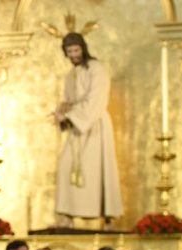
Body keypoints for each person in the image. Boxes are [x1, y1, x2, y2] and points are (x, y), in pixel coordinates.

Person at [53, 32, 122, 229]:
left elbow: (96, 100)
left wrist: (71, 117)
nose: (74, 55)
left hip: (94, 125)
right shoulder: (70, 75)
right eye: (69, 52)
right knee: (66, 165)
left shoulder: (96, 69)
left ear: (83, 48)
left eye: (76, 50)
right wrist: (61, 113)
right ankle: (67, 215)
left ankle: (108, 217)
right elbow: (69, 100)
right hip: (76, 128)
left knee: (98, 170)